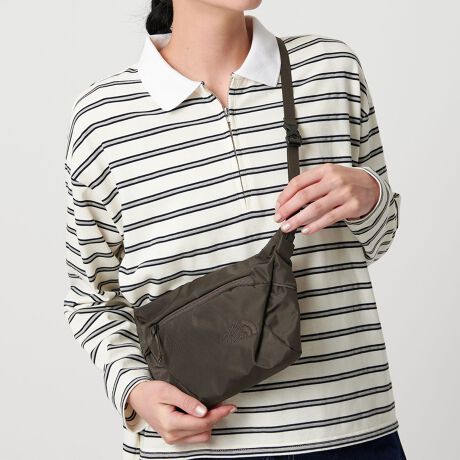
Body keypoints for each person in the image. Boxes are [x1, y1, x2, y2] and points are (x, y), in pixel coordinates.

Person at [63, 0, 407, 459]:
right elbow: (90, 299)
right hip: (201, 445)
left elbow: (378, 238)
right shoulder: (103, 118)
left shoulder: (329, 69)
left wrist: (371, 194)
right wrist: (136, 393)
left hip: (351, 432)